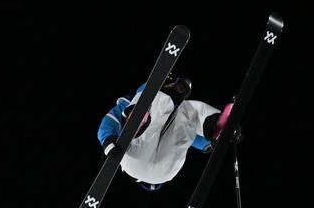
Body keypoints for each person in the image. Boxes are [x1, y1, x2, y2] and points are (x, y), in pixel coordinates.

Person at [97, 75, 235, 191]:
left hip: (164, 171)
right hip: (133, 154)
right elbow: (111, 119)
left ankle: (217, 124)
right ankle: (141, 117)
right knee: (152, 95)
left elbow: (196, 139)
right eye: (178, 86)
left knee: (187, 112)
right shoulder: (134, 98)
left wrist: (219, 137)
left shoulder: (179, 114)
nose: (178, 91)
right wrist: (108, 140)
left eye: (182, 90)